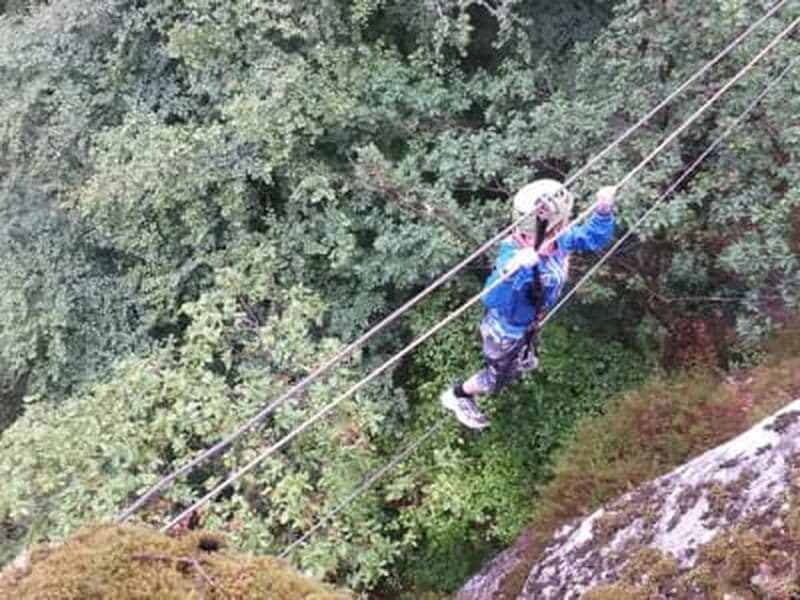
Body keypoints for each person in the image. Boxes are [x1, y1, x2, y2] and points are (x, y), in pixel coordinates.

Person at [441, 179, 618, 429]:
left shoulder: (559, 241)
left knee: (525, 351)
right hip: (504, 333)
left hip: (527, 324)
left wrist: (603, 210)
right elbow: (491, 297)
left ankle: (523, 355)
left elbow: (591, 238)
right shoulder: (513, 256)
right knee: (497, 379)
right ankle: (458, 395)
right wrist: (514, 270)